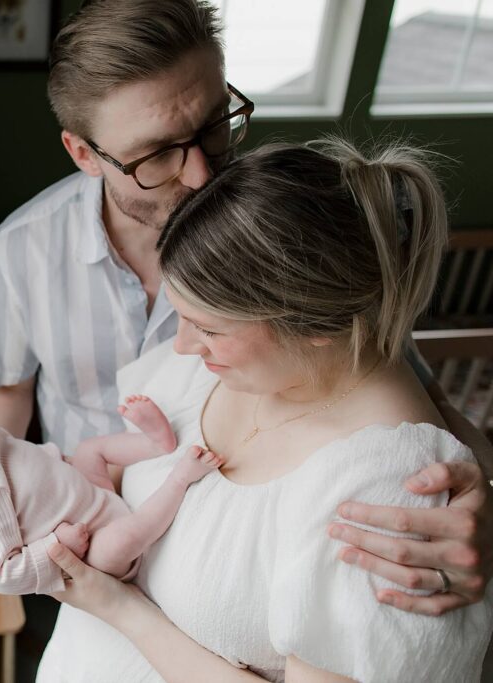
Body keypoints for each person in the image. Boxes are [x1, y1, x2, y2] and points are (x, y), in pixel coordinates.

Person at [0, 0, 493, 615]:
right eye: (157, 154)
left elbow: (407, 384)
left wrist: (481, 488)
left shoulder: (278, 220)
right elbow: (9, 393)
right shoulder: (21, 250)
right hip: (78, 538)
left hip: (220, 558)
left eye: (214, 126)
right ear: (83, 153)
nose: (203, 175)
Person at [38, 138, 493, 681]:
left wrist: (117, 607)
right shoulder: (223, 367)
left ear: (316, 325)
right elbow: (119, 483)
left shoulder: (386, 491)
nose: (181, 345)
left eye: (208, 328)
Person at [0, 372, 221, 594]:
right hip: (92, 545)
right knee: (118, 543)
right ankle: (179, 480)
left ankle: (156, 443)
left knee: (89, 449)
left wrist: (59, 461)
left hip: (92, 496)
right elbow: (3, 575)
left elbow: (29, 463)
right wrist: (57, 545)